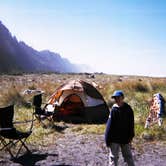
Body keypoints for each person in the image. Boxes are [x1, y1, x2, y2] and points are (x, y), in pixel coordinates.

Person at [105, 90, 135, 166]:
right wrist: (107, 139)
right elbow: (109, 126)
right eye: (115, 98)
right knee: (113, 157)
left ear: (122, 98)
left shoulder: (128, 109)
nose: (117, 99)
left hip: (125, 138)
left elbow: (131, 124)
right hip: (114, 139)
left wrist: (131, 136)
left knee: (128, 157)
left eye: (118, 97)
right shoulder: (114, 109)